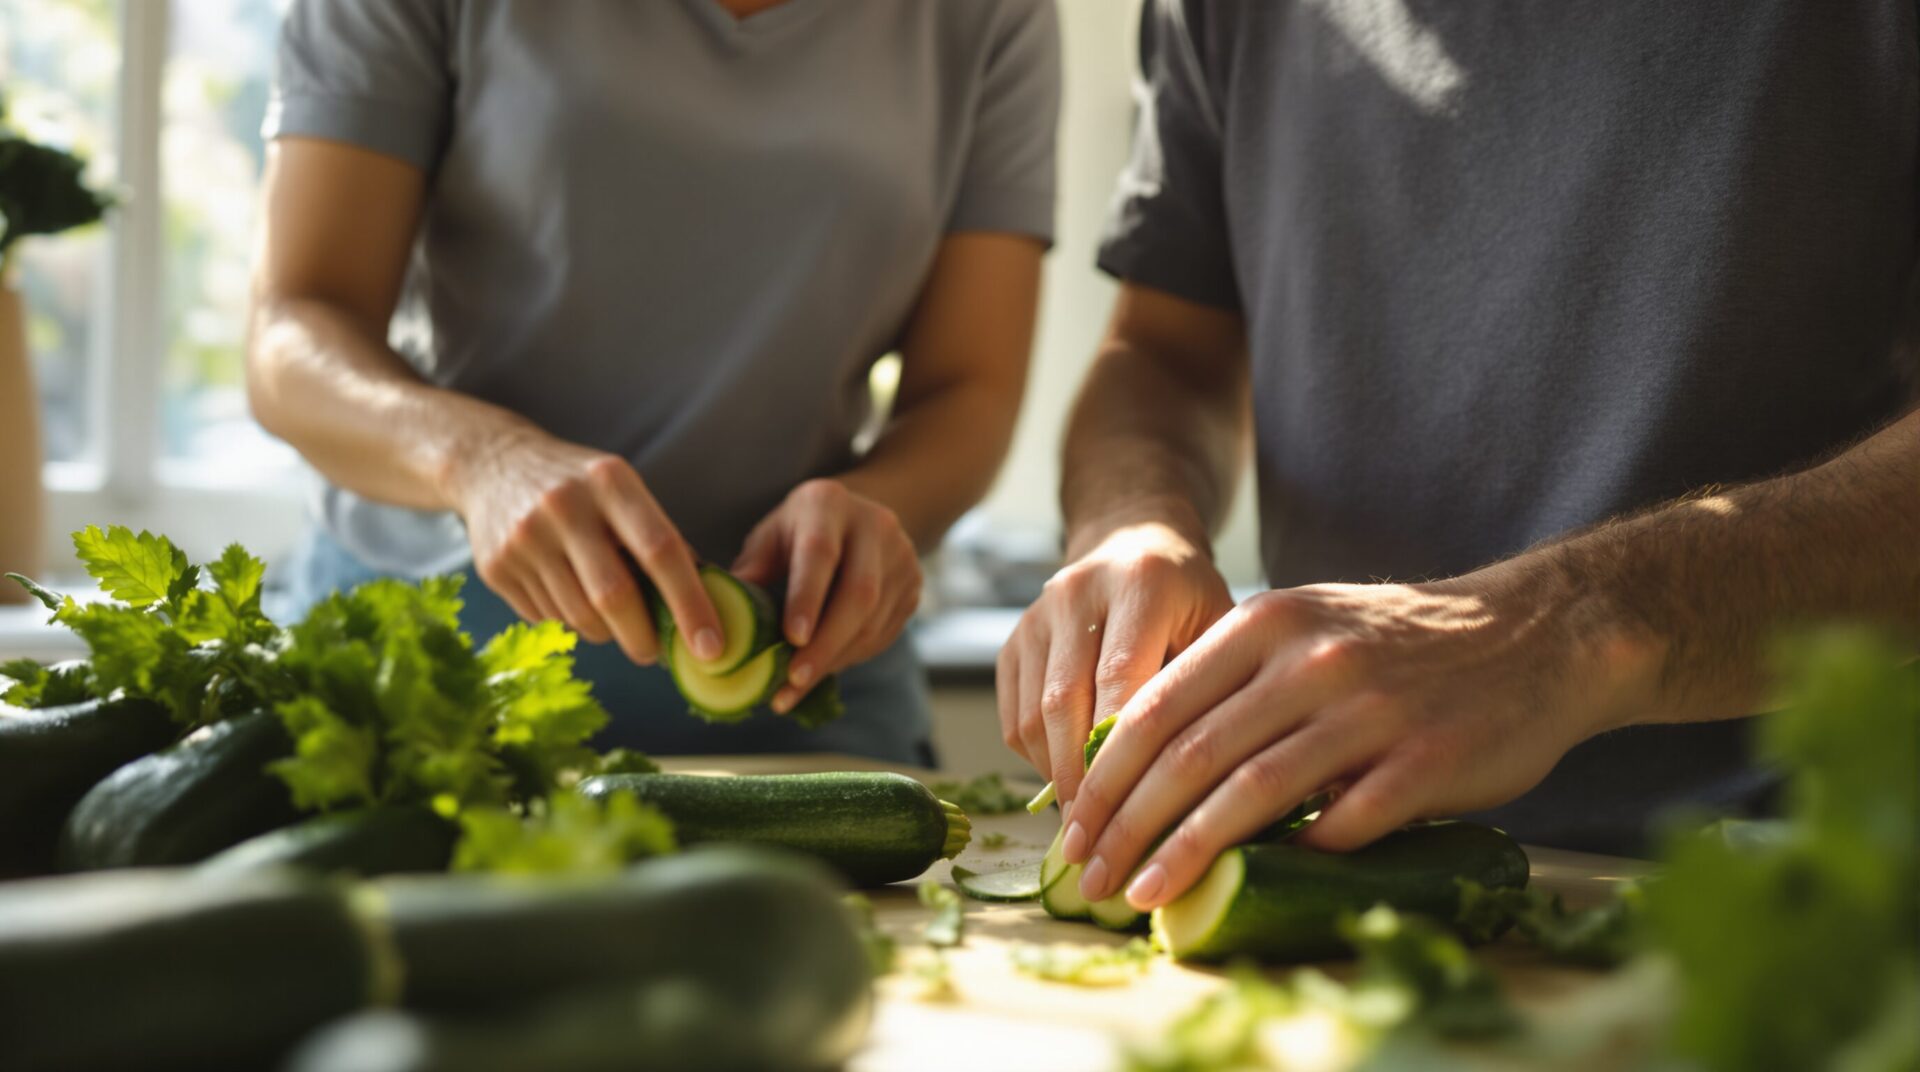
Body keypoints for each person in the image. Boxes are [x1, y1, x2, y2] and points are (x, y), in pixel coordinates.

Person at [1000, 0, 1918, 913]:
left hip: (1821, 885)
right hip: (1336, 874)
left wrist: (1562, 627)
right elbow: (1161, 357)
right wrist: (1132, 522)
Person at [247, 0, 1058, 765]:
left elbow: (968, 389)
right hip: (429, 683)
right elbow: (294, 326)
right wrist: (481, 459)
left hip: (804, 698)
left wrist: (882, 505)